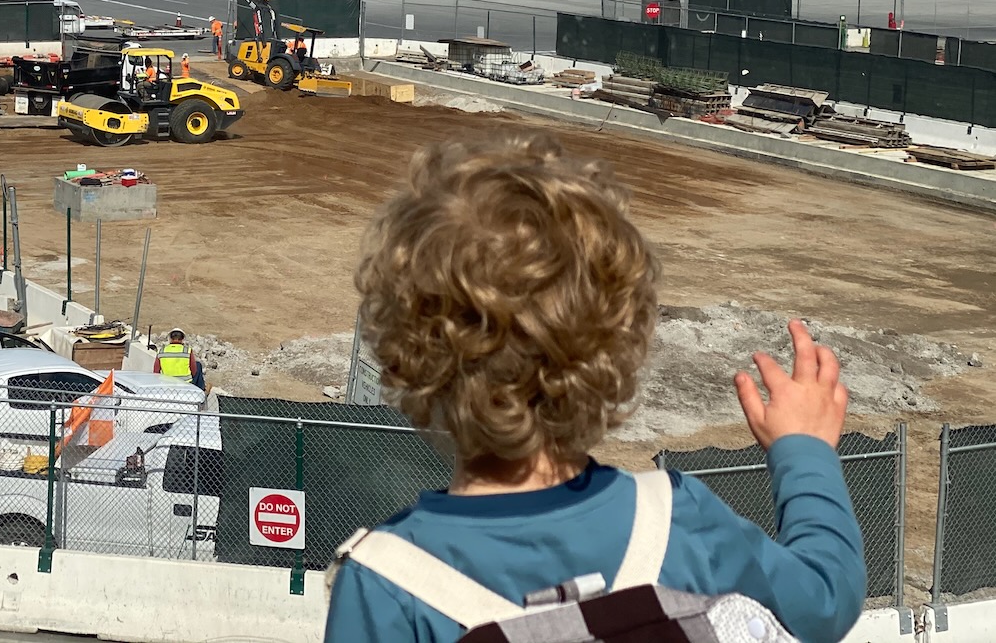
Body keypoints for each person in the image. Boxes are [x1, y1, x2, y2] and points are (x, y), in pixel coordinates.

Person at [325, 130, 865, 643]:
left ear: (401, 363)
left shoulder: (387, 584)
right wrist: (804, 450)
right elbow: (824, 600)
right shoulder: (677, 520)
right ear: (621, 349)